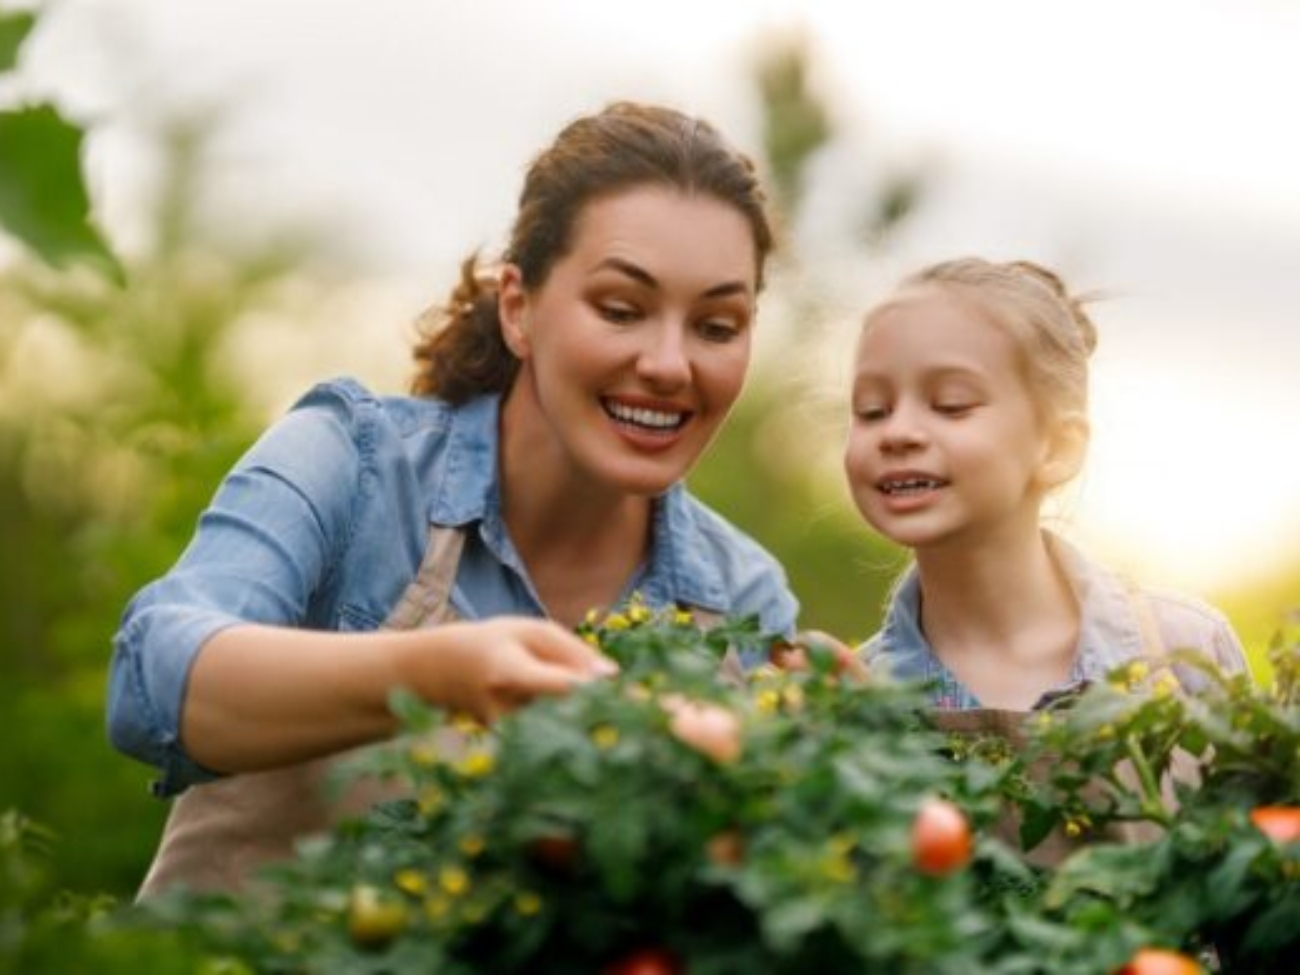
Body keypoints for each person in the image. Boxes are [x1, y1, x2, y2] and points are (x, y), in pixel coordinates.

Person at [107, 101, 799, 896]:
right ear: (519, 308)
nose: (671, 364)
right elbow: (150, 679)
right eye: (620, 309)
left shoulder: (742, 600)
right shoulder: (355, 462)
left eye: (717, 325)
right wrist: (435, 676)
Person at [843, 257, 1249, 861]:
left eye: (951, 405)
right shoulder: (853, 698)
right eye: (871, 410)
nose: (896, 431)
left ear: (1058, 447)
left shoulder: (1187, 654)